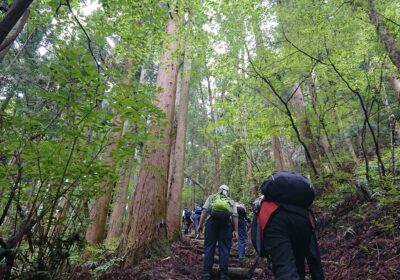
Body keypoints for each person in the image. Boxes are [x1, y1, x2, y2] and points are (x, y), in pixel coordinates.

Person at [259, 171, 325, 280]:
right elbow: (314, 256)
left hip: (275, 219)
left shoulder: (267, 202)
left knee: (285, 268)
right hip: (303, 220)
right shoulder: (302, 207)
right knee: (299, 263)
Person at [198, 185, 239, 280]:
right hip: (226, 224)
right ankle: (223, 274)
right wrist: (236, 231)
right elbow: (235, 215)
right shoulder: (230, 201)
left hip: (212, 222)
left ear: (219, 190)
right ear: (227, 192)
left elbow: (204, 211)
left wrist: (200, 225)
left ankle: (207, 273)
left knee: (209, 246)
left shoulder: (212, 197)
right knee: (224, 248)